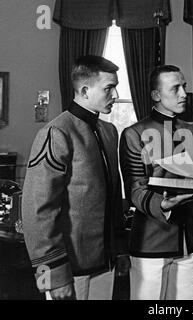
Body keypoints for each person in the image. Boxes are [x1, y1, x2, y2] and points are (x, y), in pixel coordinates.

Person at [22, 55, 130, 300]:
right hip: (70, 269)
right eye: (109, 88)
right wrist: (53, 275)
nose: (115, 94)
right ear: (84, 90)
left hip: (106, 262)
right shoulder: (56, 132)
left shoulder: (109, 131)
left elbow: (114, 198)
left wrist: (120, 249)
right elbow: (37, 211)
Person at [119, 65, 193, 300]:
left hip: (188, 243)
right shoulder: (134, 133)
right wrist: (162, 204)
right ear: (156, 96)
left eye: (184, 87)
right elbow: (135, 189)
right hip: (151, 242)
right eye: (176, 88)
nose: (183, 94)